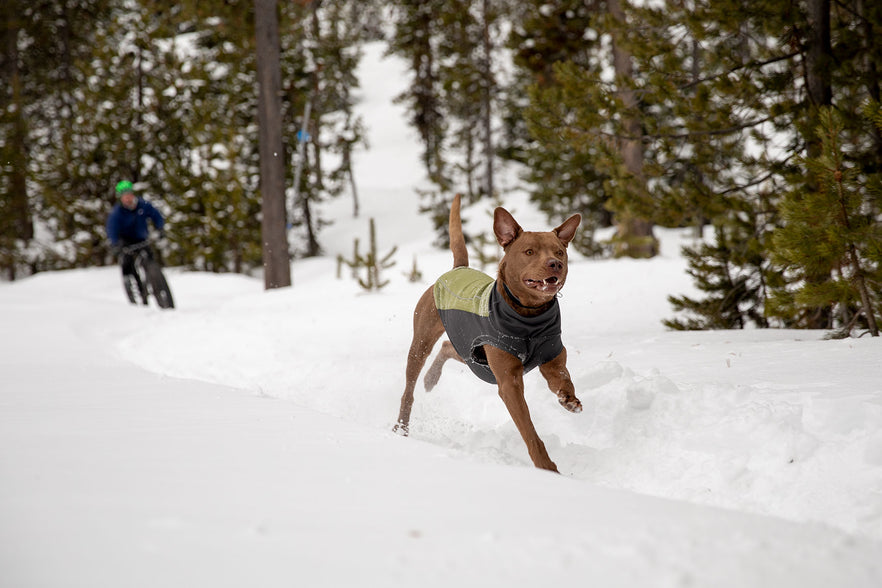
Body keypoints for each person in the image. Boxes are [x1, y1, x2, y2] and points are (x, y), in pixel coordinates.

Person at [106, 180, 165, 304]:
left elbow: (156, 215)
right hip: (126, 241)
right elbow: (111, 230)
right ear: (120, 198)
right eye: (124, 196)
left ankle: (156, 282)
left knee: (150, 260)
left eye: (129, 194)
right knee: (128, 264)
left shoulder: (142, 205)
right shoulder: (117, 213)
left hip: (141, 238)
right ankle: (134, 288)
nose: (128, 198)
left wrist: (160, 228)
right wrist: (115, 244)